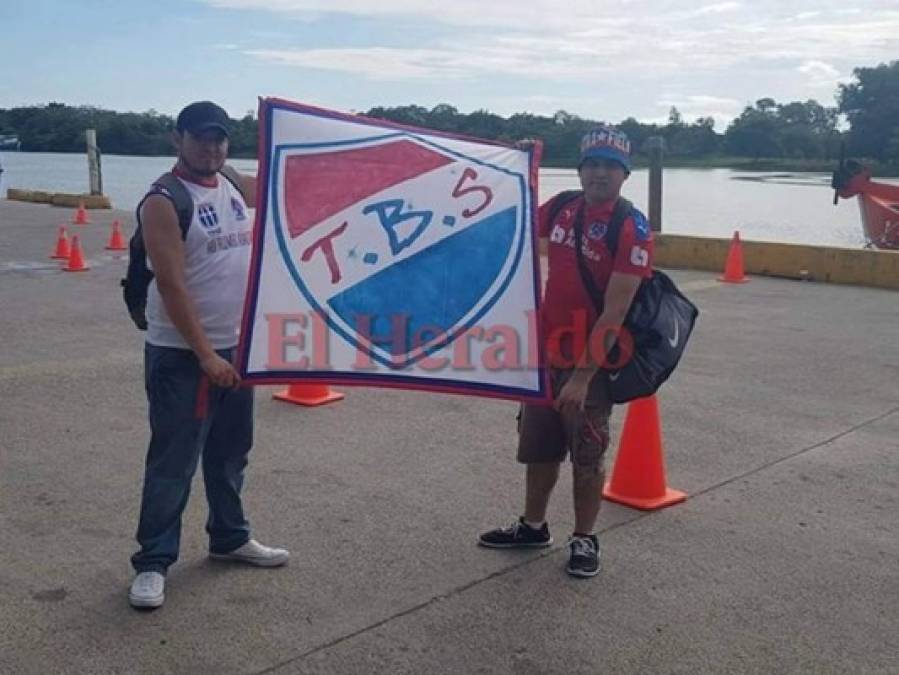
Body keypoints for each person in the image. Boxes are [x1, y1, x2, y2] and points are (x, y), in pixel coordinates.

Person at [129, 101, 288, 609]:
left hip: (238, 347)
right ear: (177, 139)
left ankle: (229, 537)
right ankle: (153, 562)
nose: (211, 147)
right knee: (174, 461)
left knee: (229, 453)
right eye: (200, 138)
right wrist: (205, 355)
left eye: (219, 139)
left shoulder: (234, 183)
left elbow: (292, 195)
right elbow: (172, 285)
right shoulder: (163, 200)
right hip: (185, 355)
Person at [478, 125, 653, 578]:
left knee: (587, 456)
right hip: (544, 357)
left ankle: (584, 537)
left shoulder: (630, 226)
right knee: (538, 449)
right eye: (591, 164)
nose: (599, 173)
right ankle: (533, 526)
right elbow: (507, 215)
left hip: (591, 365)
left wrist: (582, 376)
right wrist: (510, 162)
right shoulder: (560, 209)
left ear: (624, 174)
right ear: (579, 170)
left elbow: (615, 313)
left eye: (609, 167)